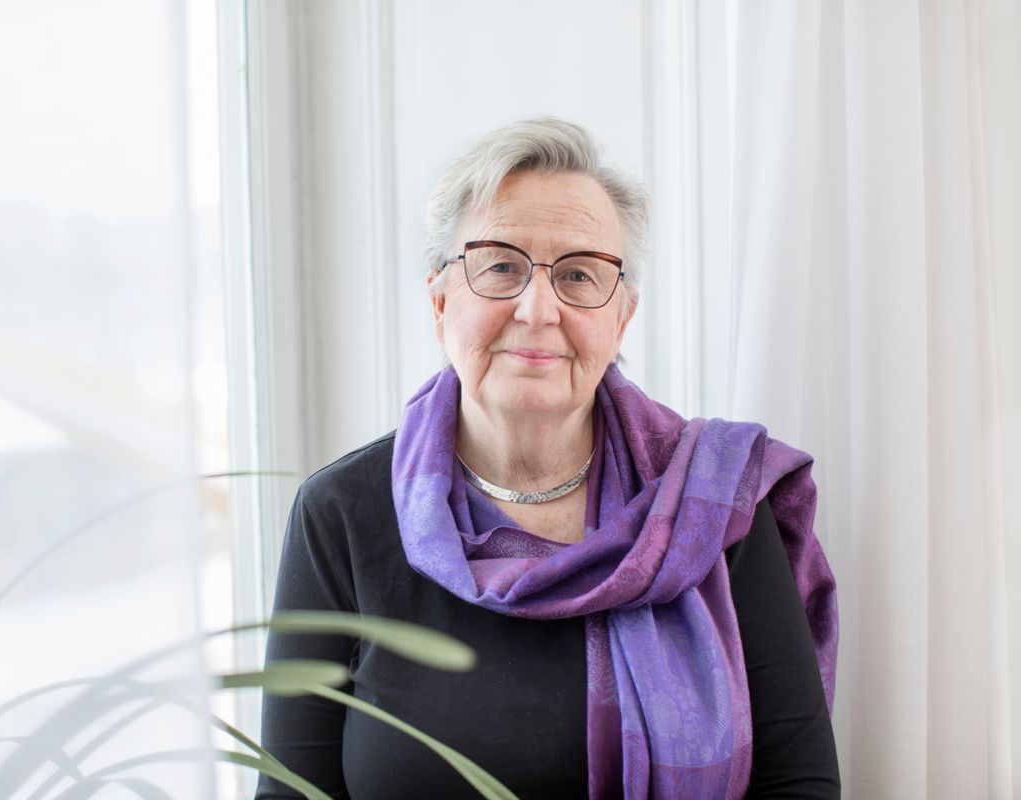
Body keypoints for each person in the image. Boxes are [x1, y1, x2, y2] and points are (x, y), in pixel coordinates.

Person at [256, 117, 839, 799]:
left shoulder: (714, 503)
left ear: (621, 318)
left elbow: (797, 785)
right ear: (440, 302)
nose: (538, 310)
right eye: (500, 266)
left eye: (579, 274)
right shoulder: (341, 514)